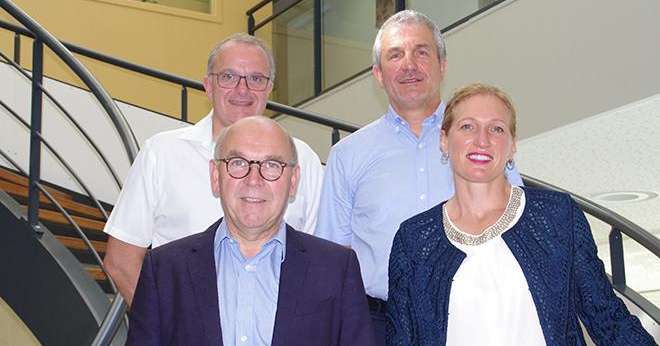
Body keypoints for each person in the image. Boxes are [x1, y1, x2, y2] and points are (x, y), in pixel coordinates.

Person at [386, 83, 655, 345]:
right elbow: (402, 338)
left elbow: (607, 318)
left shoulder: (557, 216)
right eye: (467, 126)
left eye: (497, 129)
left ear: (513, 145)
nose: (482, 140)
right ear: (444, 140)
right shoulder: (414, 238)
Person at [315, 10, 522, 344]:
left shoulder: (481, 140)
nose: (409, 64)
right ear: (378, 74)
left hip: (475, 320)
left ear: (442, 65)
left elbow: (517, 229)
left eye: (421, 52)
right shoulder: (347, 156)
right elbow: (330, 257)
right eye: (395, 55)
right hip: (378, 325)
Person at [103, 33, 324, 305]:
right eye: (228, 77)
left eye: (256, 79)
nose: (243, 90)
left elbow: (321, 262)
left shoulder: (303, 160)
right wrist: (166, 327)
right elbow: (121, 260)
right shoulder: (161, 154)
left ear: (269, 89)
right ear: (208, 86)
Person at [127, 116, 375, 346]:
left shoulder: (336, 268)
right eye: (238, 163)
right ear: (215, 176)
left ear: (293, 181)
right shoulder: (164, 269)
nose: (254, 180)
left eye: (271, 165)